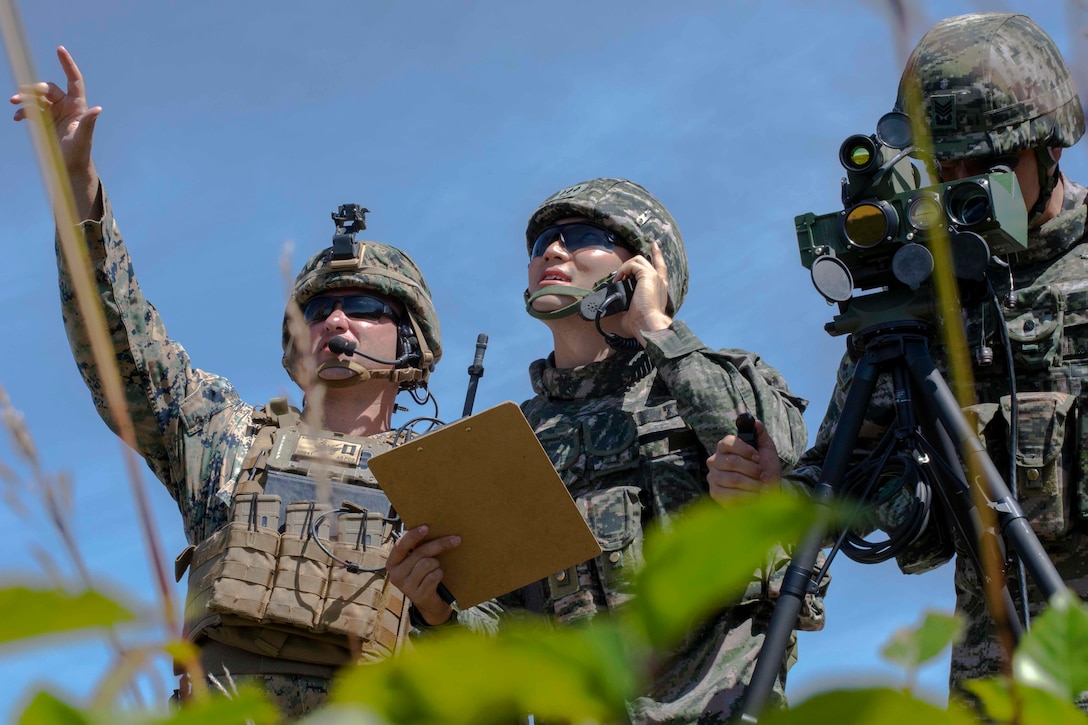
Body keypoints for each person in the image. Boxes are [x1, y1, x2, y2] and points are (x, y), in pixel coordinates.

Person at [11, 47, 443, 718]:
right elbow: (122, 347)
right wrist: (78, 184)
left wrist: (441, 608)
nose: (335, 321)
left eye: (363, 307)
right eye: (316, 310)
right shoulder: (227, 438)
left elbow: (520, 636)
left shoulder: (449, 469)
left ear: (410, 340)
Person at [710, 11, 1088, 705]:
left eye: (991, 165)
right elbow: (847, 476)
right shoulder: (918, 299)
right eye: (947, 167)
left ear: (1050, 147)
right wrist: (776, 488)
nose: (965, 185)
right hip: (995, 683)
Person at [388, 178, 820, 722]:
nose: (551, 250)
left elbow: (781, 460)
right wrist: (436, 610)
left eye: (582, 236)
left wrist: (655, 328)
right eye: (541, 242)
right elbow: (512, 630)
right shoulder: (513, 437)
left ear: (647, 266)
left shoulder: (728, 377)